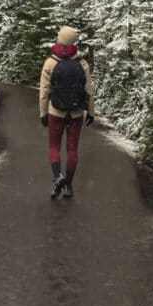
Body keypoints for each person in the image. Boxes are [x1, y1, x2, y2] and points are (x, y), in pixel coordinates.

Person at [39, 26, 95, 199]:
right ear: (73, 42)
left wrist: (43, 113)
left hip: (55, 111)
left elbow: (44, 91)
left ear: (59, 39)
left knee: (54, 146)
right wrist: (91, 111)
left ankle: (57, 178)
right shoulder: (82, 63)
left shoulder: (50, 63)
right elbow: (88, 90)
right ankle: (69, 186)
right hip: (76, 113)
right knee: (72, 149)